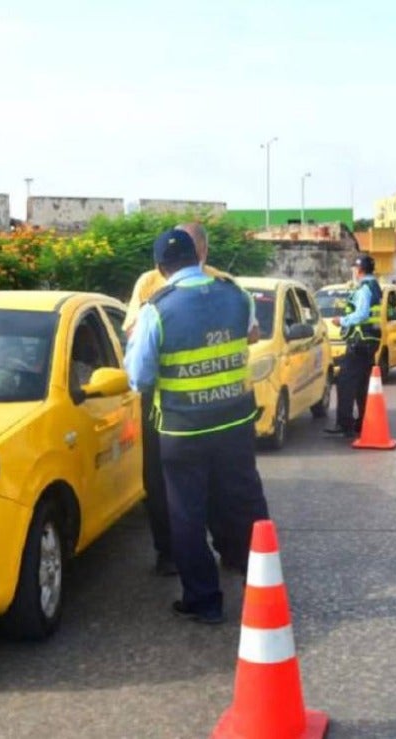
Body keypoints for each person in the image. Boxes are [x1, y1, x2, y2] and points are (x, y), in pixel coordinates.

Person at [124, 228, 270, 625]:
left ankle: (205, 602)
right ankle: (261, 573)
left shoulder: (157, 308)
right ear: (200, 255)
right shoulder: (236, 295)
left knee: (186, 514)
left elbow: (138, 376)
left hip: (183, 430)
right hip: (236, 421)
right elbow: (250, 335)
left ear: (160, 268)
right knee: (245, 498)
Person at [325, 254, 383, 438]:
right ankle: (363, 422)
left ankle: (345, 424)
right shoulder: (375, 286)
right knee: (362, 384)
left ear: (359, 270)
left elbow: (361, 314)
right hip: (369, 341)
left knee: (345, 382)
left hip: (360, 342)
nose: (353, 272)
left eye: (354, 269)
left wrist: (341, 320)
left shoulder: (365, 288)